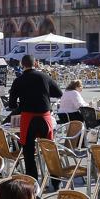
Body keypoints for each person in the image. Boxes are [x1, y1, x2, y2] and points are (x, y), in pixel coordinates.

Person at [8, 55, 62, 183]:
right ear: (36, 64)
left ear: (22, 64)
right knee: (49, 149)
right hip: (45, 116)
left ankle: (32, 181)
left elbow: (12, 104)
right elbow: (59, 93)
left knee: (28, 151)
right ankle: (55, 181)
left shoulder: (19, 80)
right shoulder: (45, 77)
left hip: (28, 117)